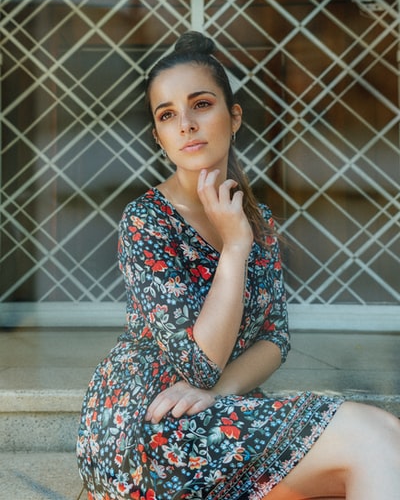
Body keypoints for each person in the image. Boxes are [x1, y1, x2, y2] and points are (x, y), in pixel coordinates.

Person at [77, 31, 400, 500]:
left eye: (201, 104)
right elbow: (198, 364)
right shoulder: (146, 221)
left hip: (217, 407)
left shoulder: (258, 221)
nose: (185, 124)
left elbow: (274, 338)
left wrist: (221, 392)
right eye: (168, 115)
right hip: (148, 421)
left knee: (386, 437)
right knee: (370, 437)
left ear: (234, 117)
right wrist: (233, 249)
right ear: (159, 137)